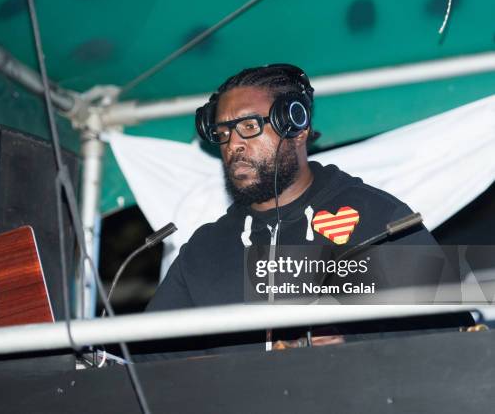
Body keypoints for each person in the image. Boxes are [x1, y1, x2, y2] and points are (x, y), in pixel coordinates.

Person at [138, 64, 472, 360]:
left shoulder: (375, 218)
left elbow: (452, 339)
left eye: (249, 127)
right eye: (223, 133)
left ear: (296, 128)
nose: (233, 145)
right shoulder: (205, 248)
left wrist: (352, 343)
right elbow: (145, 361)